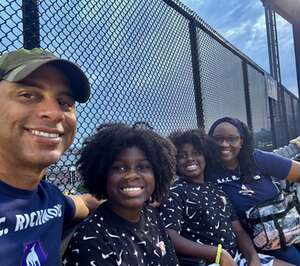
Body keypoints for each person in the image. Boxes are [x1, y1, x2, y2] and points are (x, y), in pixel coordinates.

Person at [0, 48, 99, 265]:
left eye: (64, 103)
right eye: (28, 95)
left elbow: (85, 203)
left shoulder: (51, 199)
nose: (54, 112)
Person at [160, 129, 289, 266]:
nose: (190, 158)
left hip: (237, 258)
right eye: (182, 155)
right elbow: (170, 236)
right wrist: (217, 254)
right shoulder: (175, 192)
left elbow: (238, 230)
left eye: (196, 153)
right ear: (174, 160)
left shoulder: (217, 189)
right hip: (207, 262)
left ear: (206, 156)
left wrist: (253, 259)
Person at [63, 123, 179, 266]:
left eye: (142, 167)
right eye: (119, 168)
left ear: (158, 173)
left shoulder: (151, 214)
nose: (131, 175)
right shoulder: (91, 239)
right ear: (102, 174)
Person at [207, 116, 300, 265]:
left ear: (242, 141)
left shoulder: (257, 159)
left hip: (291, 225)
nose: (224, 144)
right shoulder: (207, 171)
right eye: (218, 139)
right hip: (262, 241)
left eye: (232, 138)